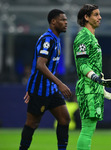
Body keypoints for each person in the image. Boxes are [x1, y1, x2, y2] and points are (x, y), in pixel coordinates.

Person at [19, 9, 72, 150]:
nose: (66, 22)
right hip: (40, 90)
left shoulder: (56, 39)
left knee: (64, 119)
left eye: (66, 20)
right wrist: (60, 84)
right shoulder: (47, 40)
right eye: (62, 20)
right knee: (32, 124)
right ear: (53, 22)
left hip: (51, 90)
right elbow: (40, 65)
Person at [73, 4, 111, 150]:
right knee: (87, 130)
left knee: (89, 130)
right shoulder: (83, 36)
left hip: (94, 88)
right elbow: (82, 65)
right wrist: (97, 79)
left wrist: (101, 87)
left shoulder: (92, 37)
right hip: (88, 88)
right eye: (96, 14)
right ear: (86, 17)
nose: (100, 17)